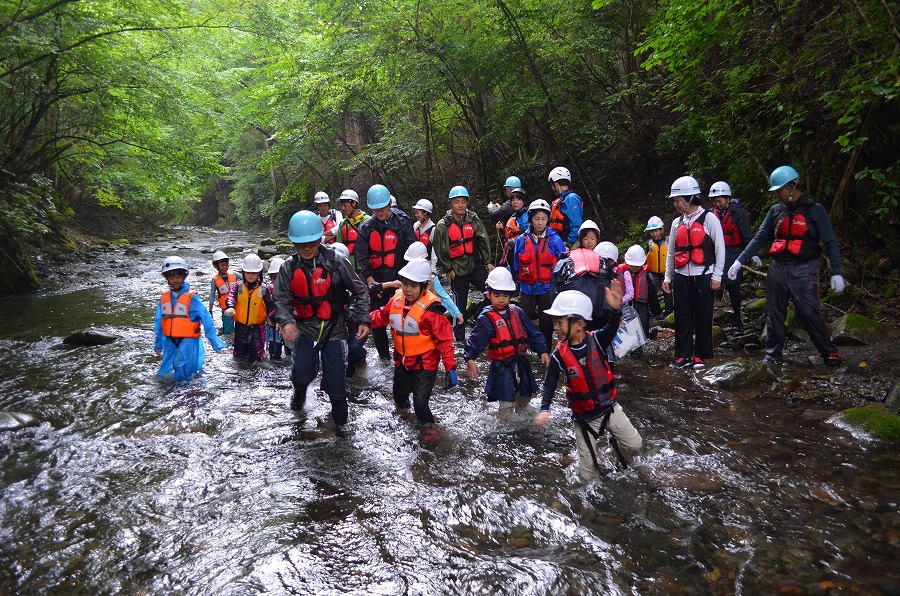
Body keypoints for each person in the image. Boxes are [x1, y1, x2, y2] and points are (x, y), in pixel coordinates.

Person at [728, 165, 846, 366]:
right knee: (775, 312)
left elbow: (830, 241)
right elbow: (760, 237)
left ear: (792, 186)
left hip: (804, 268)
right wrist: (739, 261)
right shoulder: (776, 211)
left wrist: (837, 272)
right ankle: (773, 354)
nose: (777, 195)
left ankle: (829, 352)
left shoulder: (814, 210)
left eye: (779, 190)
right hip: (778, 268)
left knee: (808, 311)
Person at [271, 211, 371, 427]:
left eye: (312, 242)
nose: (307, 247)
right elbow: (280, 298)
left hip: (334, 331)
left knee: (336, 384)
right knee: (300, 376)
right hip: (305, 329)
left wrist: (363, 318)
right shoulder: (288, 267)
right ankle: (299, 400)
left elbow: (360, 290)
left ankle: (342, 435)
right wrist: (287, 321)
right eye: (301, 243)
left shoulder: (337, 263)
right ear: (294, 243)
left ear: (320, 238)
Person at [535, 288, 643, 482]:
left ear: (578, 324)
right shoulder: (559, 355)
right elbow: (549, 384)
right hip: (583, 420)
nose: (556, 328)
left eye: (559, 323)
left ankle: (614, 452)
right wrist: (544, 408)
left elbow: (612, 327)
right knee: (588, 477)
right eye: (554, 323)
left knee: (635, 445)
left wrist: (615, 308)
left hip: (609, 409)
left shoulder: (597, 340)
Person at [368, 258, 458, 424]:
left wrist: (449, 368)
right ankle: (404, 422)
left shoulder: (432, 312)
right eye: (405, 284)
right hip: (402, 360)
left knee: (420, 404)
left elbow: (445, 341)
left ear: (425, 286)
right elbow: (381, 316)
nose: (408, 290)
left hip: (425, 363)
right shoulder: (396, 301)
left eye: (414, 286)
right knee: (399, 398)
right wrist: (363, 320)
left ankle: (431, 432)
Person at [464, 268, 550, 420]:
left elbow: (532, 332)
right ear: (488, 294)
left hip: (521, 362)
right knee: (506, 401)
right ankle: (504, 424)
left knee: (526, 395)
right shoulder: (486, 319)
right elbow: (476, 339)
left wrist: (543, 350)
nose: (501, 299)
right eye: (496, 295)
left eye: (505, 295)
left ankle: (523, 414)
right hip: (502, 366)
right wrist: (470, 358)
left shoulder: (517, 312)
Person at [663, 176, 726, 370]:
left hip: (704, 275)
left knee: (703, 316)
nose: (675, 203)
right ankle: (683, 355)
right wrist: (668, 277)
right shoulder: (676, 224)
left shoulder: (709, 219)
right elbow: (672, 252)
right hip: (682, 276)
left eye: (677, 199)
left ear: (689, 198)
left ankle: (700, 355)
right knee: (682, 316)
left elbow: (719, 249)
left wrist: (717, 276)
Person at [356, 183, 417, 361]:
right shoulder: (367, 228)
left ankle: (405, 353)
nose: (380, 212)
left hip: (400, 279)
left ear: (389, 204)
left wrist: (406, 281)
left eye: (382, 208)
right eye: (375, 210)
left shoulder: (403, 222)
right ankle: (384, 358)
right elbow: (362, 258)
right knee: (376, 322)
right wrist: (370, 282)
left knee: (404, 318)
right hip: (377, 281)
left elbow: (411, 250)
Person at [432, 185, 494, 341]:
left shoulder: (472, 219)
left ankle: (476, 320)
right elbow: (440, 249)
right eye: (456, 202)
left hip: (475, 264)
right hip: (457, 269)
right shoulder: (443, 225)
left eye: (463, 202)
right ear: (450, 203)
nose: (460, 205)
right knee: (458, 306)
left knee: (492, 292)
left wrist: (488, 262)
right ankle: (459, 339)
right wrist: (449, 269)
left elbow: (483, 240)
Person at [154, 256, 228, 382]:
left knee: (181, 366)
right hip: (170, 340)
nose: (175, 281)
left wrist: (215, 342)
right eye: (171, 278)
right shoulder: (164, 298)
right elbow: (159, 321)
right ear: (166, 278)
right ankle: (177, 392)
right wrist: (159, 343)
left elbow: (206, 319)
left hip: (188, 340)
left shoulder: (192, 298)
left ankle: (184, 393)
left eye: (178, 277)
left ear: (184, 276)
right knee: (166, 372)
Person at [512, 199, 566, 347]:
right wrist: (518, 283)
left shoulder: (555, 240)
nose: (540, 222)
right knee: (521, 321)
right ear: (530, 219)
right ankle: (520, 350)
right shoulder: (521, 240)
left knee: (546, 323)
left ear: (548, 219)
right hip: (527, 288)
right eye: (536, 219)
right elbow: (516, 264)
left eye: (543, 219)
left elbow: (563, 265)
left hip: (547, 288)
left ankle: (545, 351)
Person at [709, 182, 760, 328]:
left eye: (720, 201)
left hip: (732, 252)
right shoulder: (710, 214)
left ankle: (737, 316)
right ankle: (709, 316)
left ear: (727, 198)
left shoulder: (738, 212)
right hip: (715, 253)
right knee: (712, 284)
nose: (717, 204)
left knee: (733, 286)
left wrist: (752, 253)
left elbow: (746, 234)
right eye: (714, 201)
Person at [551, 220, 610, 329]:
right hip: (576, 309)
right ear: (581, 239)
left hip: (597, 310)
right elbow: (556, 282)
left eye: (592, 239)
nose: (589, 242)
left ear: (597, 240)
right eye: (586, 238)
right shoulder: (566, 260)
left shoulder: (603, 261)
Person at [224, 253, 270, 363]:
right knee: (238, 356)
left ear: (259, 273)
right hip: (240, 327)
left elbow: (271, 305)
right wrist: (230, 306)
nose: (251, 275)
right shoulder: (238, 286)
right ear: (243, 272)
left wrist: (275, 319)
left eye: (254, 272)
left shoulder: (264, 288)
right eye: (248, 272)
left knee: (256, 357)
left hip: (258, 328)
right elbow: (230, 297)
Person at [403, 241, 463, 325]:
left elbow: (444, 297)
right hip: (410, 317)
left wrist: (456, 313)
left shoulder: (431, 279)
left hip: (427, 317)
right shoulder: (404, 278)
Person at [620, 245, 651, 357]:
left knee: (641, 329)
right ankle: (628, 351)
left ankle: (637, 351)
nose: (634, 268)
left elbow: (651, 293)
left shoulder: (646, 275)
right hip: (626, 306)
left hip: (641, 306)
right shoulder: (621, 273)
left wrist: (656, 309)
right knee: (626, 329)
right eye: (632, 265)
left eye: (637, 266)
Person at [209, 250, 242, 340]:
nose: (225, 267)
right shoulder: (214, 280)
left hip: (237, 305)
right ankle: (228, 342)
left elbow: (245, 278)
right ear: (216, 266)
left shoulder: (234, 274)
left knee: (240, 326)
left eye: (226, 265)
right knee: (227, 328)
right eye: (222, 265)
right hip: (225, 308)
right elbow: (212, 296)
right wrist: (210, 310)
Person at [548, 166, 585, 246]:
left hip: (570, 243)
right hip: (559, 241)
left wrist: (568, 243)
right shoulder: (561, 200)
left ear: (555, 184)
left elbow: (576, 224)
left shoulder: (572, 198)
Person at [334, 189, 369, 270]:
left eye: (345, 205)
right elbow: (339, 246)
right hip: (349, 268)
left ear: (354, 203)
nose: (342, 208)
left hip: (365, 268)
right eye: (342, 205)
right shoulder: (343, 223)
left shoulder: (367, 221)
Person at [645, 216, 672, 317]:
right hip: (653, 272)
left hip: (666, 271)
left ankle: (669, 312)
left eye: (656, 231)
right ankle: (654, 312)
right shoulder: (649, 244)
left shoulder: (668, 242)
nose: (654, 234)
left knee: (668, 292)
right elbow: (646, 258)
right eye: (651, 232)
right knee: (651, 292)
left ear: (662, 230)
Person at [498, 187, 529, 266]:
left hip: (523, 251)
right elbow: (507, 236)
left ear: (524, 201)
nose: (515, 202)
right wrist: (502, 230)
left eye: (518, 199)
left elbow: (529, 235)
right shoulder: (513, 216)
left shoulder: (526, 216)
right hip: (513, 250)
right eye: (513, 200)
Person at [264, 257, 286, 360]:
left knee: (290, 352)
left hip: (286, 324)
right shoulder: (268, 289)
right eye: (274, 277)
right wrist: (267, 319)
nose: (277, 281)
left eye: (280, 277)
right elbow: (263, 306)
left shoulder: (291, 289)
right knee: (274, 353)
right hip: (272, 325)